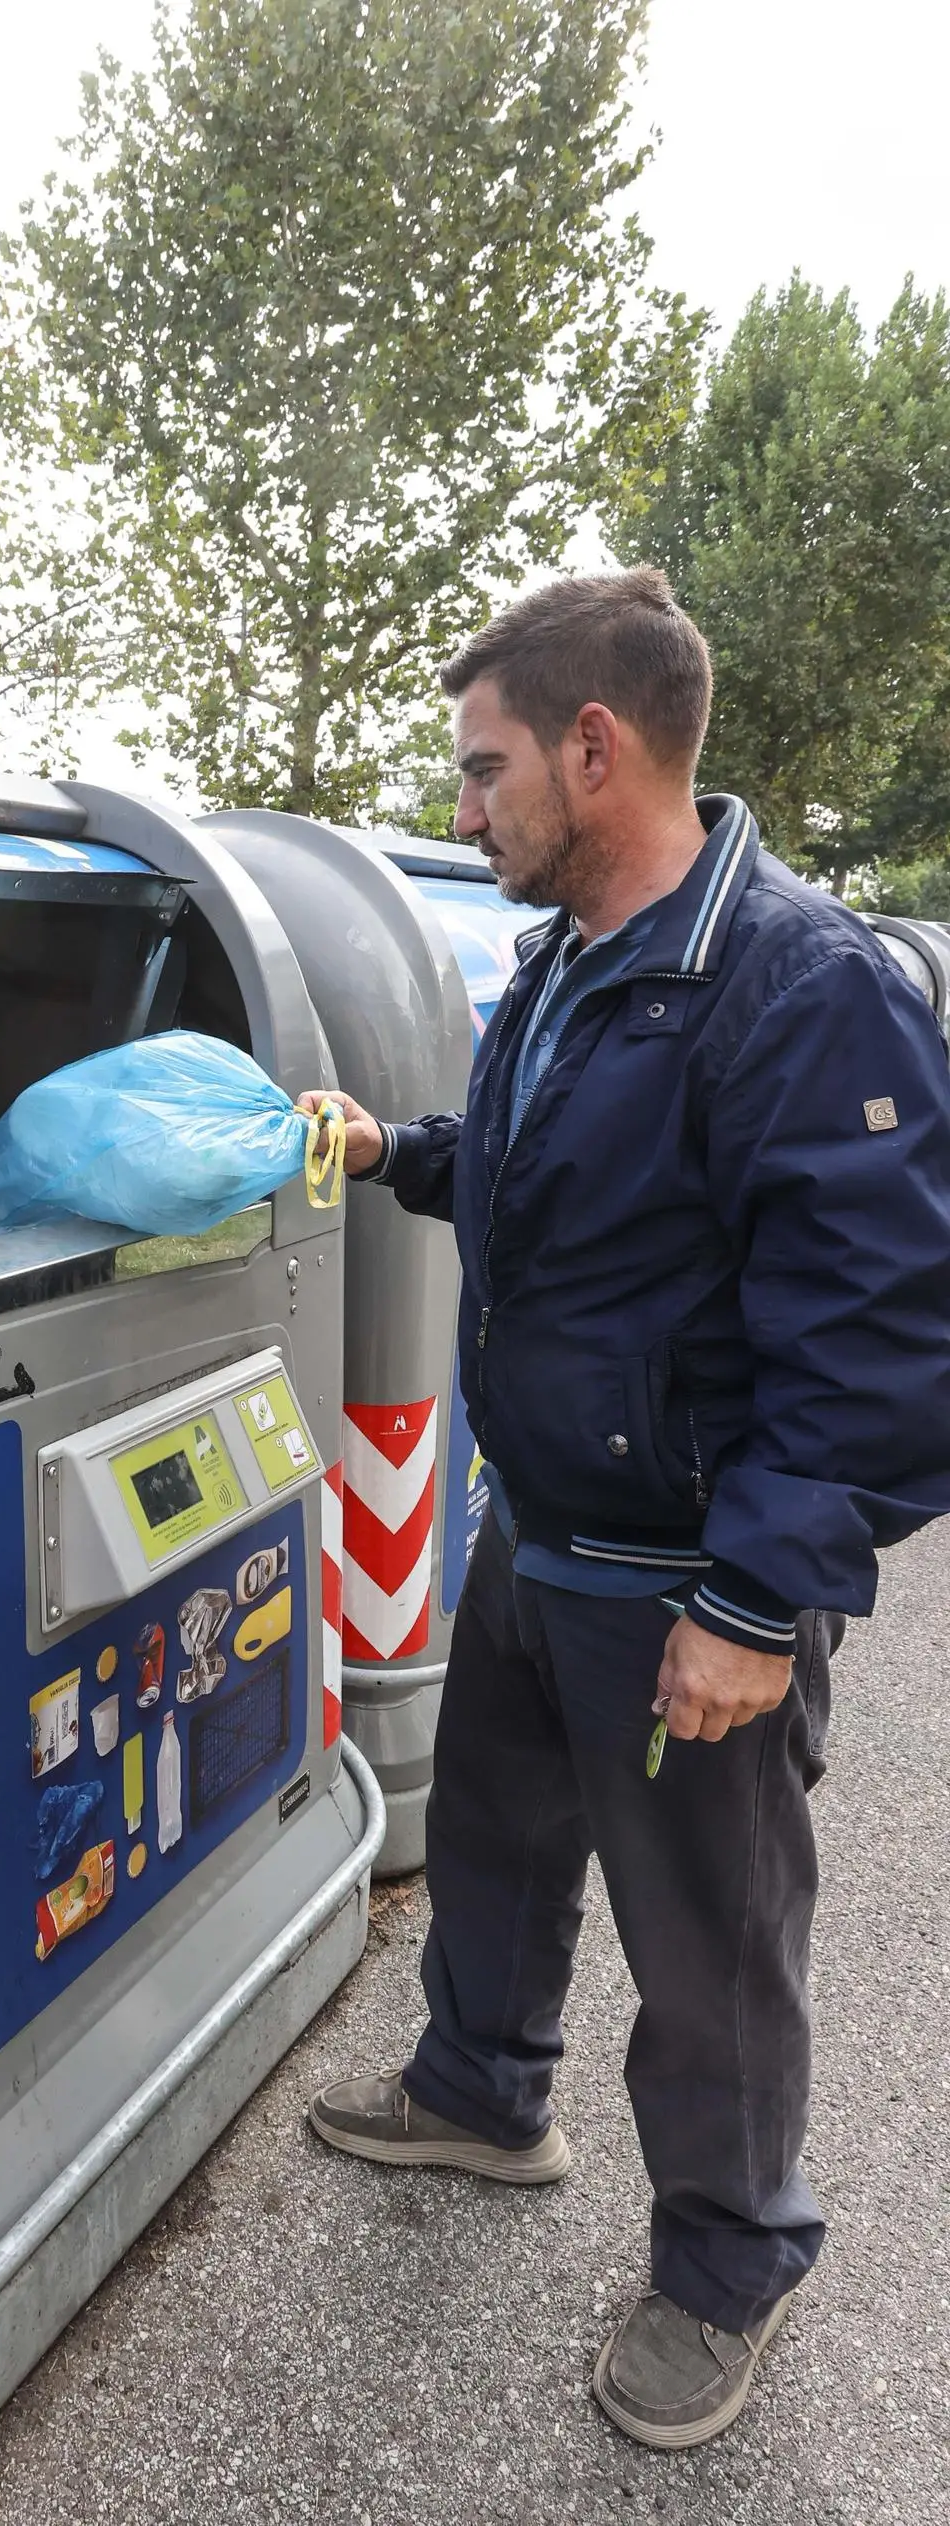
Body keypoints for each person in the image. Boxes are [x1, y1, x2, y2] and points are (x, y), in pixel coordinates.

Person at [299, 567, 950, 2450]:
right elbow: (556, 1199)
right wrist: (399, 1149)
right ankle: (484, 2088)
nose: (460, 806)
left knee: (711, 1951)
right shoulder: (579, 961)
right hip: (541, 1535)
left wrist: (756, 1606)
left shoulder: (802, 988)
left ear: (597, 747)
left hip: (685, 1579)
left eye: (483, 766)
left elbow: (884, 1345)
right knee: (496, 1842)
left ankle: (729, 2261)